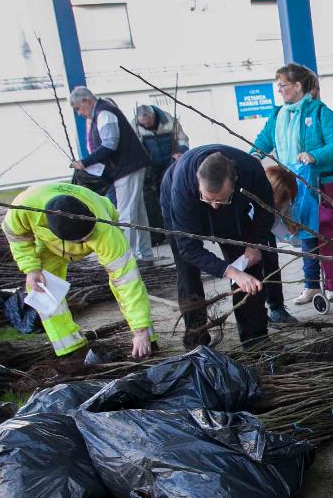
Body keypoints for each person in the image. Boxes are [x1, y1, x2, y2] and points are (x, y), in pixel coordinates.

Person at [2, 182, 154, 360]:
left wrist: (141, 329)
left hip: (100, 224)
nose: (85, 242)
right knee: (41, 289)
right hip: (50, 245)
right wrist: (31, 269)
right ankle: (70, 349)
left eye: (88, 237)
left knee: (122, 282)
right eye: (81, 241)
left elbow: (128, 281)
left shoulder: (105, 232)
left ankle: (147, 339)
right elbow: (16, 236)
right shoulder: (22, 207)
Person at [160, 144, 275, 349]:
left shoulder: (251, 171)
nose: (214, 205)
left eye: (220, 199)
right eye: (208, 198)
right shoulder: (183, 186)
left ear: (234, 181)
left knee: (249, 266)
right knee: (187, 272)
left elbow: (266, 210)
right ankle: (197, 342)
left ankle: (255, 339)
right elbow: (188, 247)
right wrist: (230, 272)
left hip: (233, 214)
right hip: (183, 208)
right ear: (198, 183)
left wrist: (255, 244)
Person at [252, 64, 333, 307]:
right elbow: (263, 140)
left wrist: (313, 155)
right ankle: (312, 285)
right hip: (293, 187)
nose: (279, 90)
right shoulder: (277, 115)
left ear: (297, 86)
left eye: (282, 85)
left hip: (319, 185)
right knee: (305, 235)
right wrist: (253, 156)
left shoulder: (320, 113)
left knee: (327, 234)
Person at [68, 86, 153, 264]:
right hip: (128, 167)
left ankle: (126, 260)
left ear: (86, 101)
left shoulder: (104, 114)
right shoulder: (101, 113)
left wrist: (85, 162)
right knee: (137, 211)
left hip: (127, 167)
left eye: (78, 108)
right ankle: (144, 255)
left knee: (127, 214)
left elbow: (109, 145)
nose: (80, 113)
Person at [132, 104, 190, 248]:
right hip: (150, 166)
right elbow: (135, 146)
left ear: (153, 116)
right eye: (143, 124)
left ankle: (180, 229)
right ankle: (158, 233)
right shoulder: (134, 125)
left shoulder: (170, 121)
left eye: (148, 123)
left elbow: (182, 139)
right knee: (150, 199)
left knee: (171, 194)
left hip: (170, 162)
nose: (146, 126)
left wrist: (181, 152)